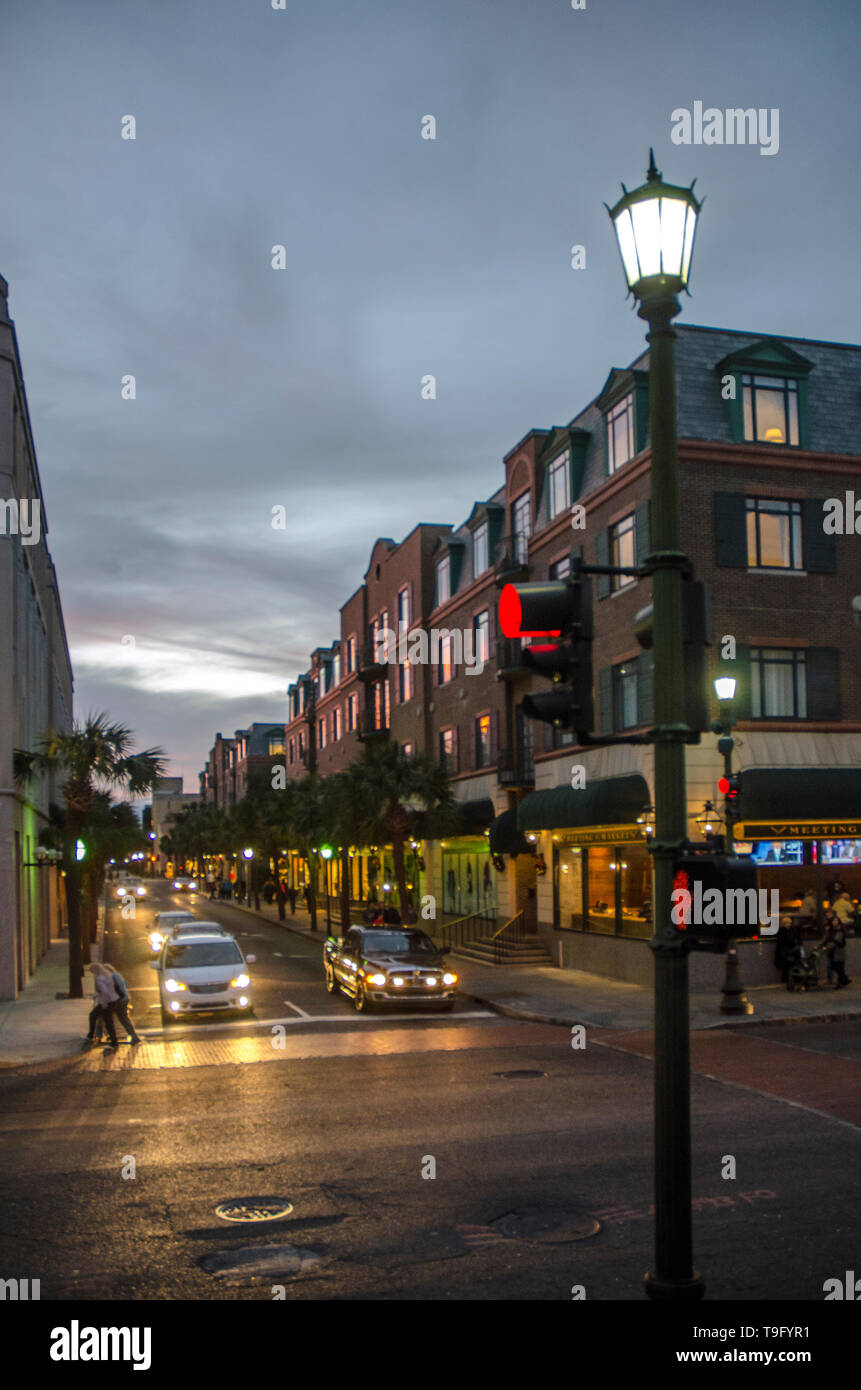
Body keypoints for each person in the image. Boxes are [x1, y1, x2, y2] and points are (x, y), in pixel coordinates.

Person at [103, 963, 141, 1043]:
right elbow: (125, 984)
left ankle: (112, 1037)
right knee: (124, 1019)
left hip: (119, 1000)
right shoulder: (117, 975)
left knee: (108, 1017)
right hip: (125, 998)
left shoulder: (112, 977)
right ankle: (134, 1036)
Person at [85, 964, 119, 1050]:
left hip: (106, 1002)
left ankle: (92, 1035)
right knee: (108, 1021)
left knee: (94, 1016)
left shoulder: (100, 979)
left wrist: (104, 1003)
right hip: (113, 1000)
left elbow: (104, 992)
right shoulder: (107, 975)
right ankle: (113, 1041)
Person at [774, 917, 796, 985]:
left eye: (790, 923)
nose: (789, 924)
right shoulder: (782, 931)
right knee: (786, 966)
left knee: (788, 966)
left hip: (788, 951)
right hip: (785, 951)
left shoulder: (788, 930)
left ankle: (788, 980)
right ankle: (786, 980)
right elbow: (784, 941)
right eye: (788, 923)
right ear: (784, 924)